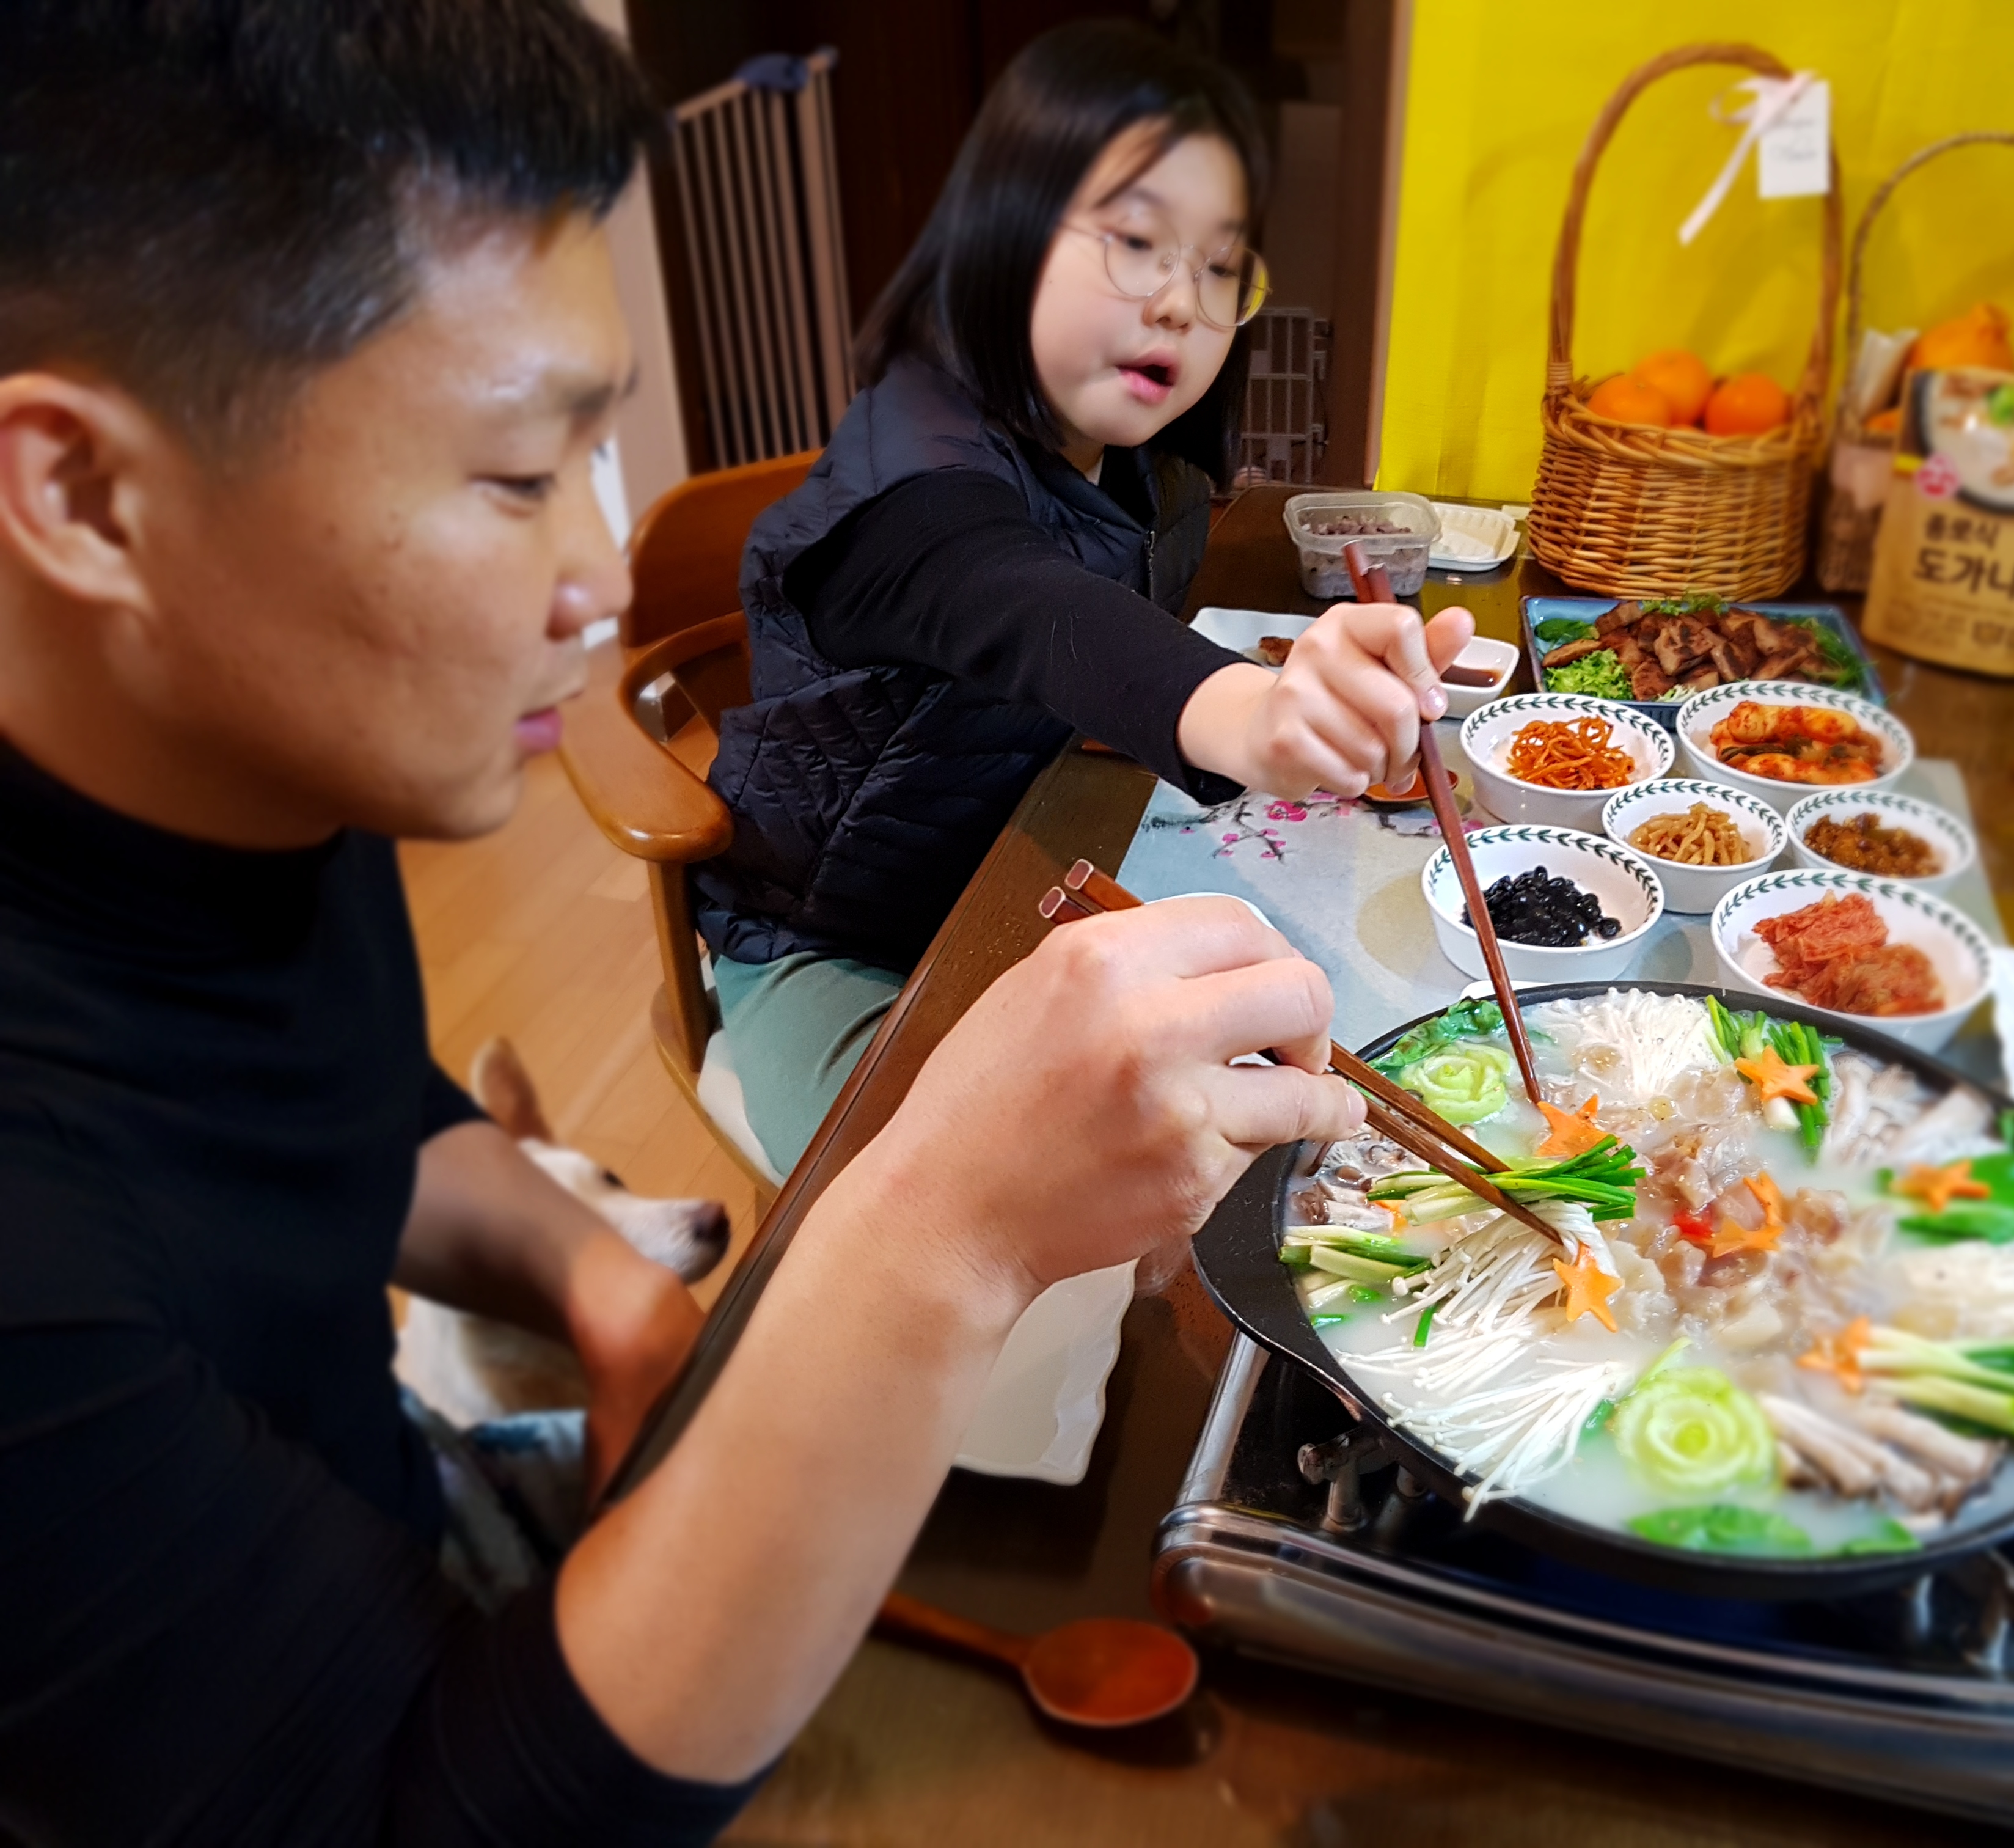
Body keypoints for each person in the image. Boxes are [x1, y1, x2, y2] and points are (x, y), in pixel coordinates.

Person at [0, 3, 1362, 1841]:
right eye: (515, 475)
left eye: (592, 456)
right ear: (83, 492)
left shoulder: (236, 779)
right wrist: (941, 1233)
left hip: (393, 1524)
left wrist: (608, 1294)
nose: (596, 585)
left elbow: (342, 1112)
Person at [694, 22, 1475, 1176]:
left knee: (1302, 1092)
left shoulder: (1143, 466)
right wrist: (1257, 713)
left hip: (1024, 877)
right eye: (1136, 242)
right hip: (837, 948)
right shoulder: (907, 479)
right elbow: (1033, 608)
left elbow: (1095, 644)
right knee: (1035, 1199)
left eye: (1221, 266)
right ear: (1002, 231)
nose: (1181, 303)